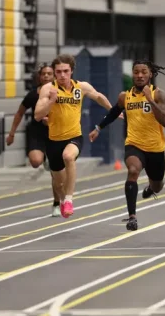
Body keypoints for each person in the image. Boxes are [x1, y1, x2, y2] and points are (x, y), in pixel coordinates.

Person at [89, 60, 165, 231]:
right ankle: (132, 217)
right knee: (133, 171)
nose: (139, 75)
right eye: (136, 72)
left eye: (143, 72)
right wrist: (98, 127)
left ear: (150, 74)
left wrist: (150, 100)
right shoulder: (124, 96)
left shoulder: (158, 94)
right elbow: (113, 112)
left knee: (158, 185)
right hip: (134, 144)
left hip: (155, 148)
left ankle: (151, 188)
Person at [34, 54, 113, 218]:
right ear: (55, 73)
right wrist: (51, 101)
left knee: (68, 157)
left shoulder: (81, 87)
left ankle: (69, 199)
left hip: (74, 137)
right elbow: (37, 115)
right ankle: (62, 200)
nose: (62, 75)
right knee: (58, 182)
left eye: (65, 71)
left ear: (71, 71)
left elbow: (98, 96)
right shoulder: (48, 89)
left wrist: (112, 110)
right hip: (53, 140)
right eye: (59, 72)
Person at [6, 63, 63, 217]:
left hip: (55, 133)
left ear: (54, 76)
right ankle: (43, 158)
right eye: (43, 74)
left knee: (55, 173)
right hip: (37, 132)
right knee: (35, 161)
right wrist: (11, 134)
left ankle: (57, 203)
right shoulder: (33, 95)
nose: (46, 76)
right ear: (39, 77)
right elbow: (19, 113)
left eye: (49, 74)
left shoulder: (61, 93)